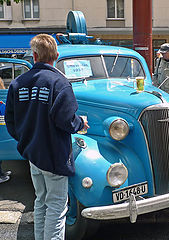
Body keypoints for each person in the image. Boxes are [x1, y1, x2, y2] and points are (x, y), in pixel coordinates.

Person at [4, 34, 89, 240]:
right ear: (56, 55)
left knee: (41, 201)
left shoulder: (18, 83)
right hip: (54, 154)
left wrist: (25, 140)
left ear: (34, 55)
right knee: (58, 207)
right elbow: (66, 120)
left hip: (33, 154)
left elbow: (11, 121)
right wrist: (81, 124)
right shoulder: (59, 83)